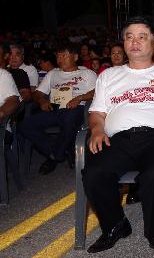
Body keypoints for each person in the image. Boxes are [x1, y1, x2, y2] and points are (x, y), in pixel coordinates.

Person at [83, 16, 154, 253]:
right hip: (118, 138)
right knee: (94, 173)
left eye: (142, 37)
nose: (135, 42)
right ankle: (115, 225)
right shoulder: (108, 76)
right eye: (129, 37)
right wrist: (97, 129)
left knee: (153, 176)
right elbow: (97, 112)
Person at [19, 43, 97, 174]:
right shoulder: (52, 74)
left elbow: (97, 91)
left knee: (70, 118)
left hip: (76, 109)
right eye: (58, 57)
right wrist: (42, 100)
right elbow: (37, 93)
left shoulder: (87, 73)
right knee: (24, 125)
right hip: (54, 108)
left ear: (75, 57)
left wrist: (79, 98)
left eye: (64, 56)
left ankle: (55, 156)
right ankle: (58, 151)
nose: (60, 59)